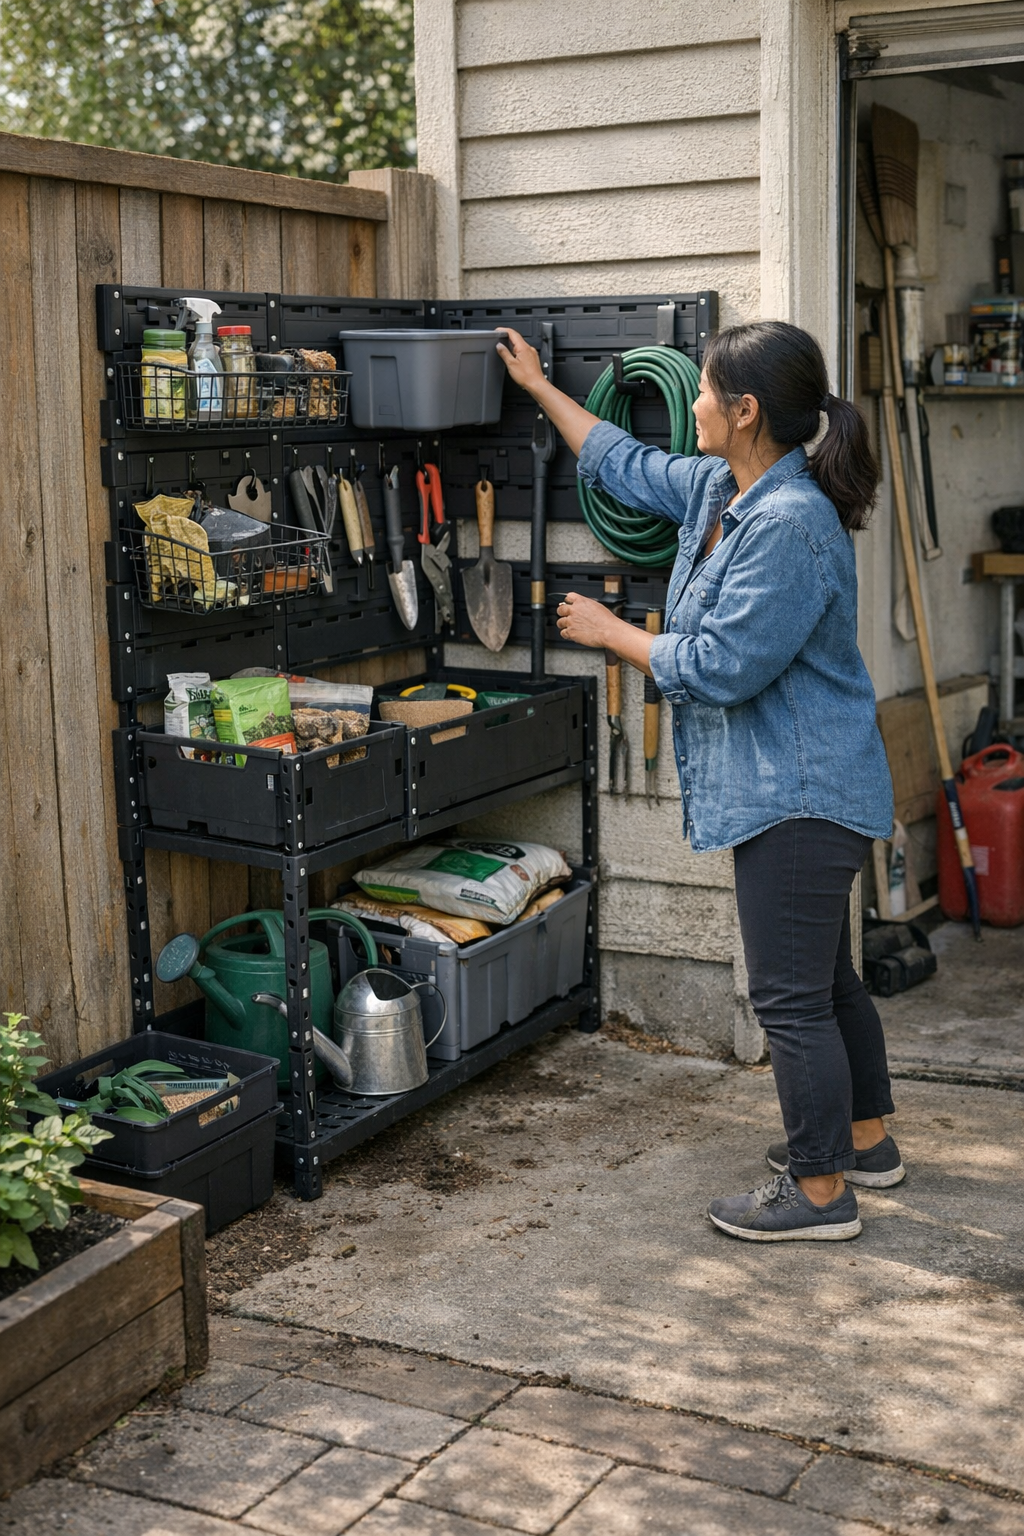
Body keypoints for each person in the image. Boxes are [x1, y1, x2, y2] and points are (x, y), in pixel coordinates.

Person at [496, 319, 900, 1243]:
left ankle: (820, 1193)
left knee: (790, 998)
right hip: (791, 786)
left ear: (747, 410)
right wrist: (541, 390)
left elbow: (721, 666)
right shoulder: (726, 486)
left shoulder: (789, 524)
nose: (697, 405)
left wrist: (614, 634)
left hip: (800, 790)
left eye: (709, 392)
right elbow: (627, 463)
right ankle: (865, 1144)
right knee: (827, 980)